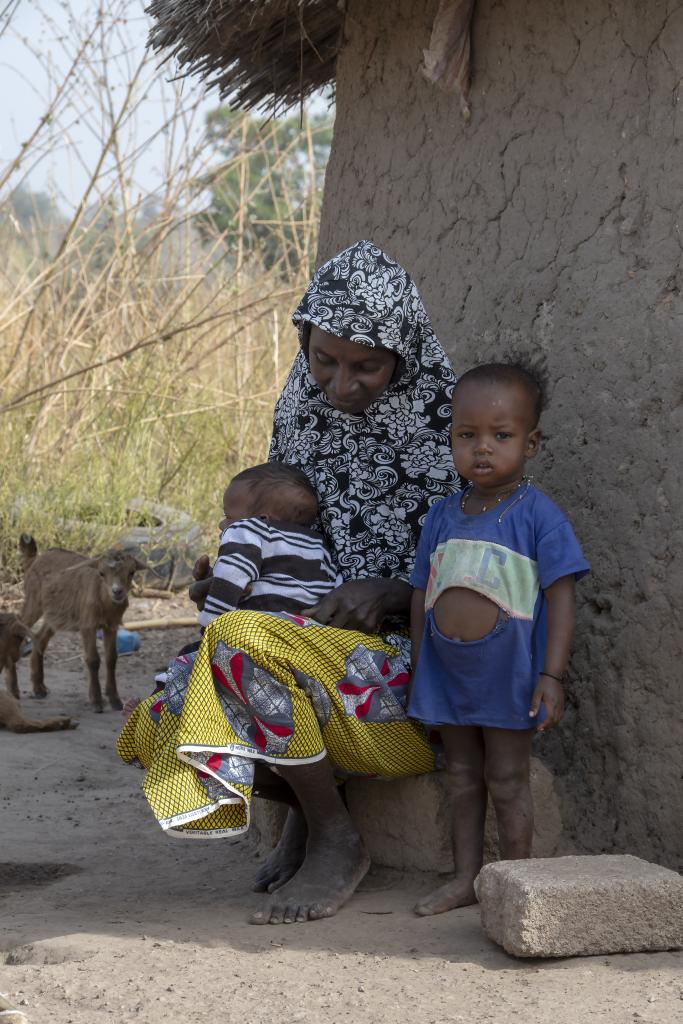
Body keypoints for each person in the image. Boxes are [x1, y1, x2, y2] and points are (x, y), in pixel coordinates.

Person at [118, 240, 460, 925]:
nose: (340, 384)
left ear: (404, 354)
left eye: (366, 365)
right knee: (154, 722)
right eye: (323, 359)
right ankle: (310, 808)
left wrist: (393, 592)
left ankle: (336, 836)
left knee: (239, 644)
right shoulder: (298, 414)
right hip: (300, 645)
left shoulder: (452, 426)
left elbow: (485, 569)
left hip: (408, 671)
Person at [407, 361, 589, 916]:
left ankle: (518, 886)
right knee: (461, 776)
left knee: (508, 780)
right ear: (452, 440)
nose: (482, 448)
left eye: (501, 435)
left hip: (509, 678)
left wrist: (552, 676)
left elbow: (561, 598)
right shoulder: (442, 516)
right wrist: (420, 669)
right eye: (467, 436)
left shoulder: (539, 516)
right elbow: (421, 594)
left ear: (531, 442)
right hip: (448, 673)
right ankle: (466, 879)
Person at [119, 461, 341, 721]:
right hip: (301, 644)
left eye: (229, 515)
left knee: (188, 658)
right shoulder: (319, 546)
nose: (223, 524)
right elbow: (332, 591)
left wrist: (211, 624)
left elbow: (231, 576)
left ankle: (155, 710)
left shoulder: (248, 530)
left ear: (262, 518)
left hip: (251, 636)